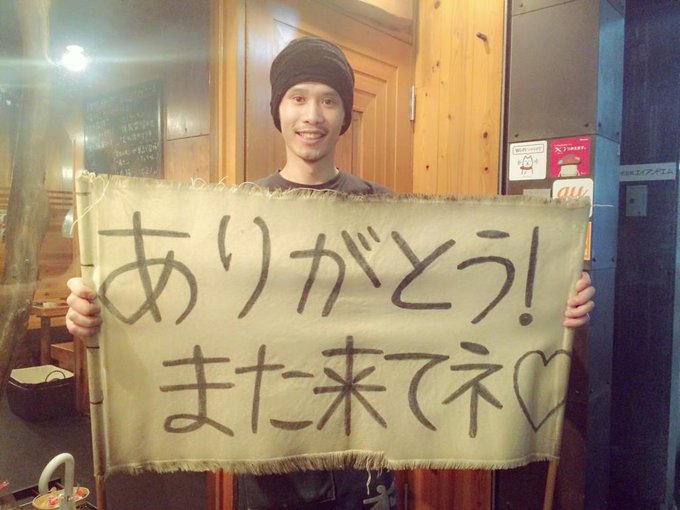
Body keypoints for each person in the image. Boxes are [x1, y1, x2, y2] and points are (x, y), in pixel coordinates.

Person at [65, 37, 595, 510]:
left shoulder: (385, 211)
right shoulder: (238, 213)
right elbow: (186, 310)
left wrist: (549, 304)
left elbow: (454, 304)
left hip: (362, 463)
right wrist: (97, 315)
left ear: (343, 116)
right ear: (278, 110)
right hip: (270, 459)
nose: (312, 115)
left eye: (328, 100)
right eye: (297, 98)